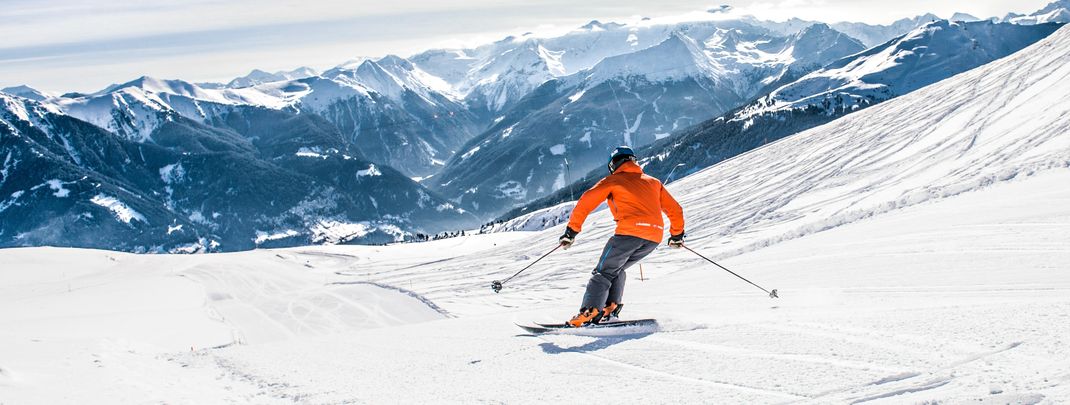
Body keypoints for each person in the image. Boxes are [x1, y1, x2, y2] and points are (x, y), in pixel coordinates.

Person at [559, 146, 685, 327]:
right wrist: (677, 235)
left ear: (613, 164)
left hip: (628, 234)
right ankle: (610, 308)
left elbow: (586, 201)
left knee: (603, 273)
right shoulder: (653, 182)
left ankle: (589, 311)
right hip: (653, 237)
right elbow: (675, 209)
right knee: (616, 269)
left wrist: (571, 231)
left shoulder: (613, 180)